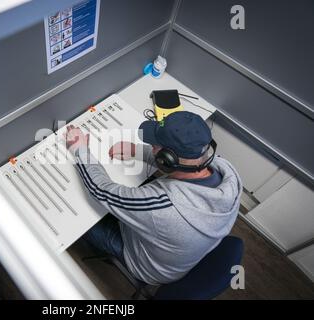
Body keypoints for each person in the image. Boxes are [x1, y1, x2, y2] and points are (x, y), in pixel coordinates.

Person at [64, 111, 242, 285]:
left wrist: (80, 149)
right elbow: (183, 163)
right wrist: (137, 151)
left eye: (155, 146)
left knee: (76, 215)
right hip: (178, 256)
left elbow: (101, 190)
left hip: (148, 267)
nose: (152, 147)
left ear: (167, 159)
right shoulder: (228, 174)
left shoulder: (163, 206)